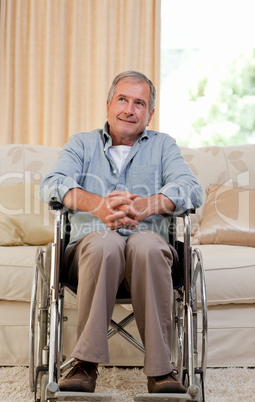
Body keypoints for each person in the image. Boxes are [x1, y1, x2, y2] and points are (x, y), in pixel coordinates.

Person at [39, 70, 203, 394]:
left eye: (139, 103)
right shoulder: (82, 144)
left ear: (150, 113)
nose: (129, 109)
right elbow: (51, 185)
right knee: (105, 243)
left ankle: (161, 371)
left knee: (147, 246)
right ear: (108, 105)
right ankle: (84, 364)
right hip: (90, 251)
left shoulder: (163, 146)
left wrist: (147, 206)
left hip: (148, 250)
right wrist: (97, 204)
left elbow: (191, 189)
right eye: (123, 100)